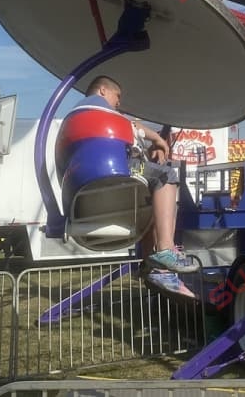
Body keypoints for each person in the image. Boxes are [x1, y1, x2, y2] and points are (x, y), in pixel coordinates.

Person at [81, 75, 200, 300]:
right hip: (113, 171)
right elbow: (133, 126)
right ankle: (165, 249)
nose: (119, 103)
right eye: (117, 97)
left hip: (90, 183)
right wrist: (160, 141)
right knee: (166, 176)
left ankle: (154, 267)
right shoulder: (99, 109)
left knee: (152, 203)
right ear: (103, 91)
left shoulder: (81, 115)